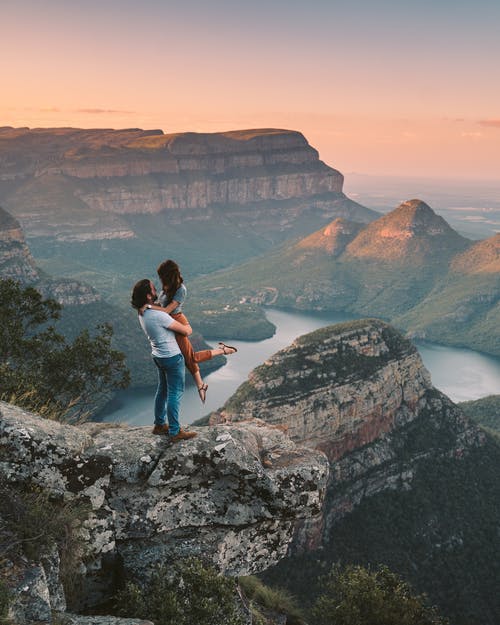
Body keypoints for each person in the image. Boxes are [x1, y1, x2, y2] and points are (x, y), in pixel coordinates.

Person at [140, 259, 237, 404]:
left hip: (177, 321)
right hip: (168, 322)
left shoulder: (181, 290)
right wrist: (150, 305)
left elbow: (167, 310)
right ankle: (200, 385)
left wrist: (148, 306)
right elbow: (162, 304)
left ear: (169, 275)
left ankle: (222, 350)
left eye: (162, 275)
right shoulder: (166, 286)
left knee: (191, 358)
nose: (160, 279)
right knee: (187, 357)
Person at [131, 278, 197, 442]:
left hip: (158, 356)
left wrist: (154, 306)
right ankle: (175, 432)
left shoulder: (143, 312)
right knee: (175, 392)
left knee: (162, 390)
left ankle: (159, 424)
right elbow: (186, 331)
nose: (156, 292)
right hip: (172, 357)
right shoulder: (159, 316)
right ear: (148, 296)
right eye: (153, 290)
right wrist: (188, 326)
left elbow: (160, 308)